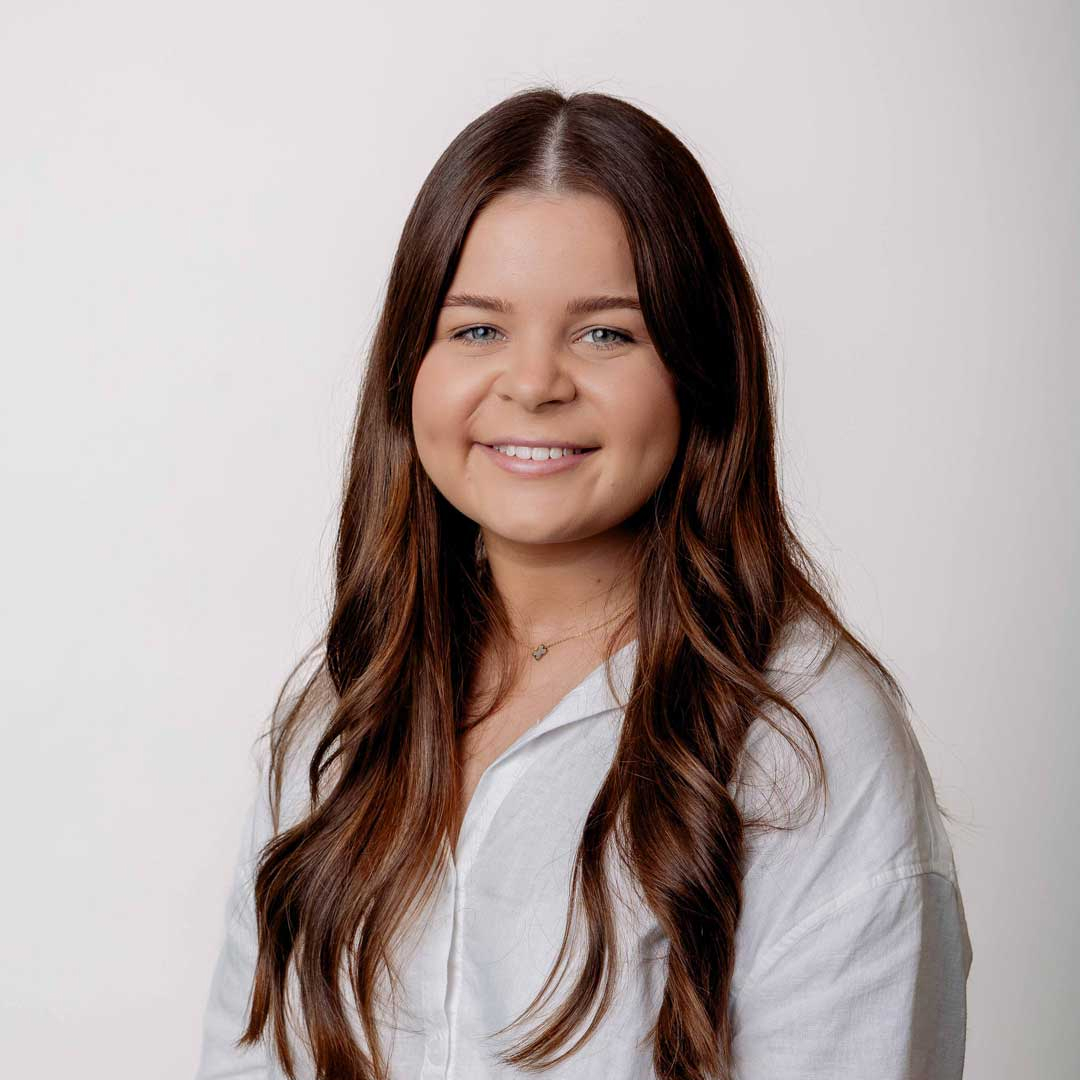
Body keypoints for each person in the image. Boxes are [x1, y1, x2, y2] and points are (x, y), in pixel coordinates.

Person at [194, 86, 972, 1080]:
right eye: (477, 329)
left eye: (605, 333)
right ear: (408, 368)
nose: (533, 384)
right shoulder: (339, 713)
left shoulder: (804, 741)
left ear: (699, 370)